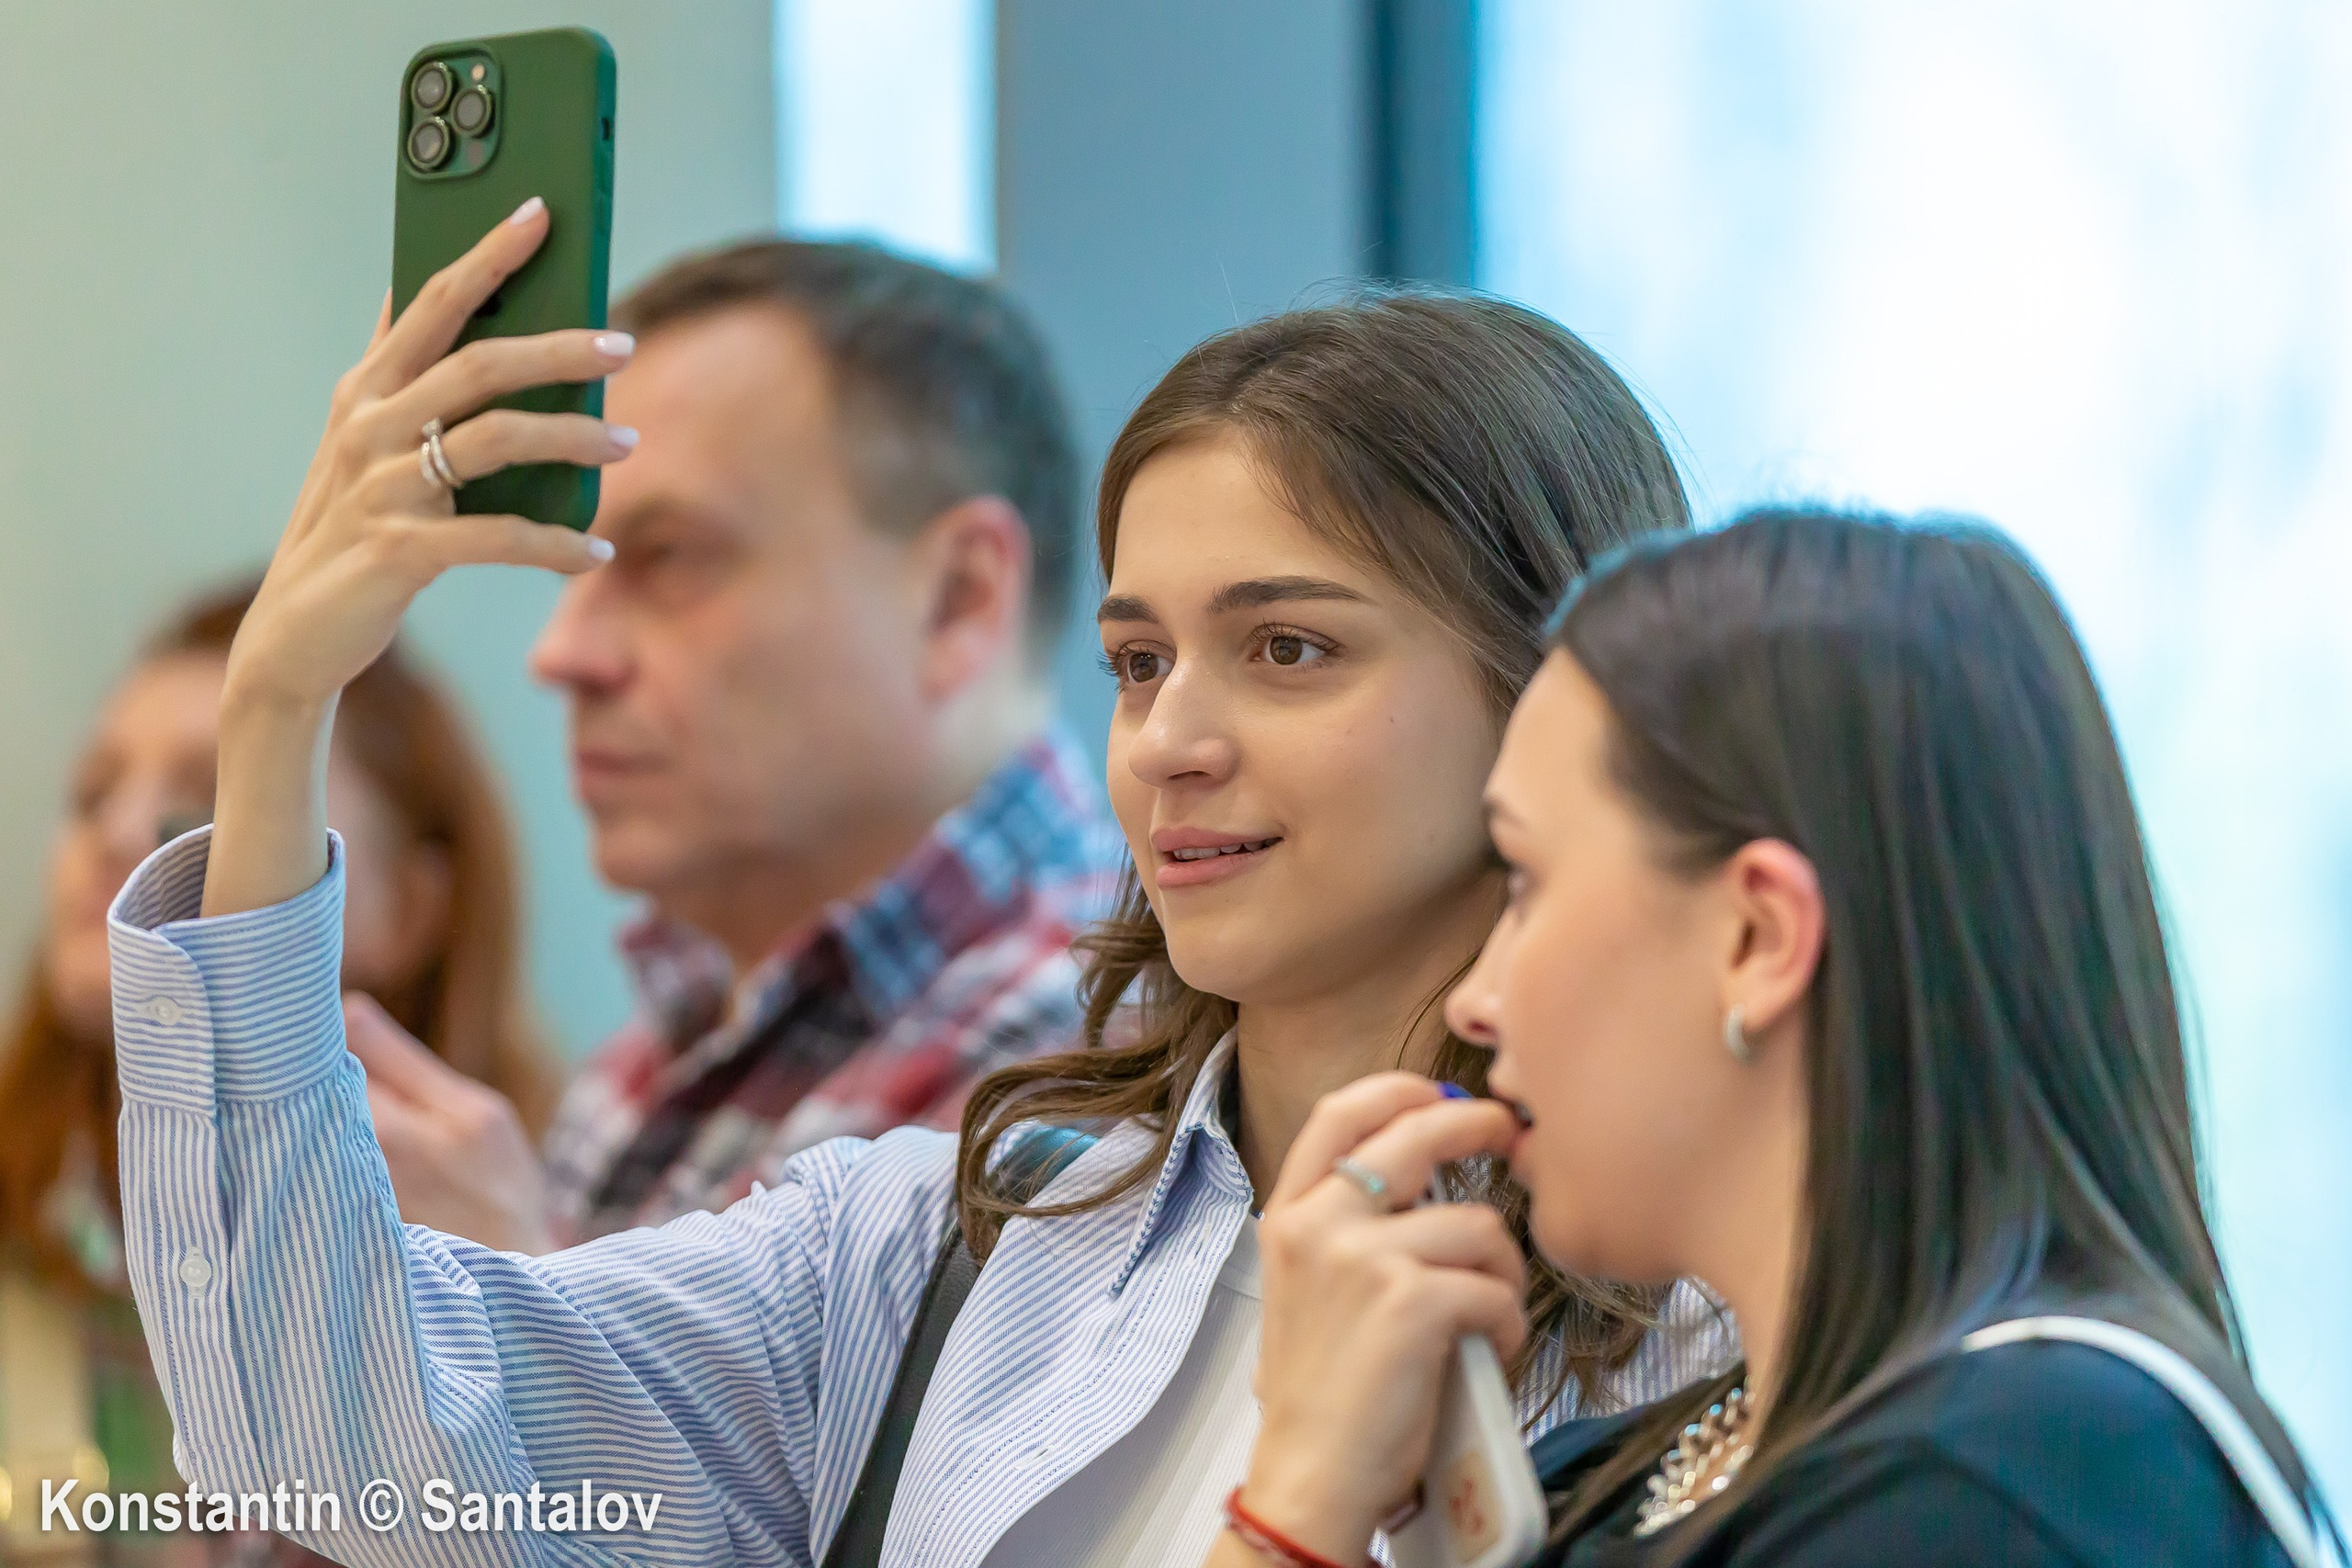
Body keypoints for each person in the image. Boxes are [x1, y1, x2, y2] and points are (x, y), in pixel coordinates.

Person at [107, 210, 1729, 1567]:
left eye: (1288, 649)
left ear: (1556, 696)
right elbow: (314, 1417)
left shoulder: (1718, 1311)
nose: (1170, 738)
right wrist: (277, 706)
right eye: (1138, 659)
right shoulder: (942, 1240)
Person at [1217, 509, 2341, 1567]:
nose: (1475, 998)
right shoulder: (1640, 1472)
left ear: (1757, 938)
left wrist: (1292, 1512)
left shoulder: (1989, 1490)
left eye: (1525, 879)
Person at [344, 231, 1122, 1255]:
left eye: (667, 560)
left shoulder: (1100, 1061)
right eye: (577, 571)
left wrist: (516, 1302)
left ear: (958, 598)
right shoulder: (645, 1061)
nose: (562, 653)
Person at [0, 580, 555, 1566]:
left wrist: (528, 1326)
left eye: (210, 799)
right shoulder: (35, 1235)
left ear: (410, 913)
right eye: (92, 793)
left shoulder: (523, 1239)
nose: (120, 834)